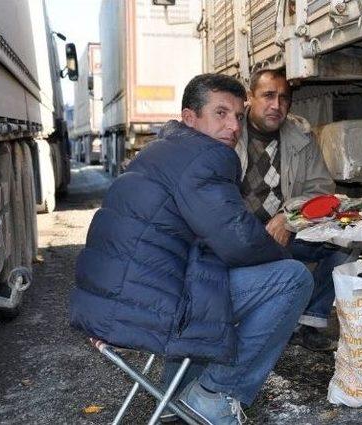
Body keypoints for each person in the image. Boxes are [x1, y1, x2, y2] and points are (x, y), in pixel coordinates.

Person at [69, 73, 314, 425]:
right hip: (140, 307)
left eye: (238, 116)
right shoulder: (206, 157)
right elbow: (238, 240)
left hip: (108, 303)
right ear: (190, 118)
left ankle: (178, 399)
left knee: (204, 280)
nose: (233, 126)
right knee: (291, 279)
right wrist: (280, 254)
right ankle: (213, 394)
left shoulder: (164, 149)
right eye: (220, 114)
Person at [237, 68, 349, 351]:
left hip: (285, 233)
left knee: (343, 244)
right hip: (240, 238)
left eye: (284, 98)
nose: (276, 105)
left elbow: (321, 190)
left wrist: (288, 218)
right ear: (250, 97)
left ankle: (308, 321)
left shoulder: (301, 136)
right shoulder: (230, 133)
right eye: (268, 96)